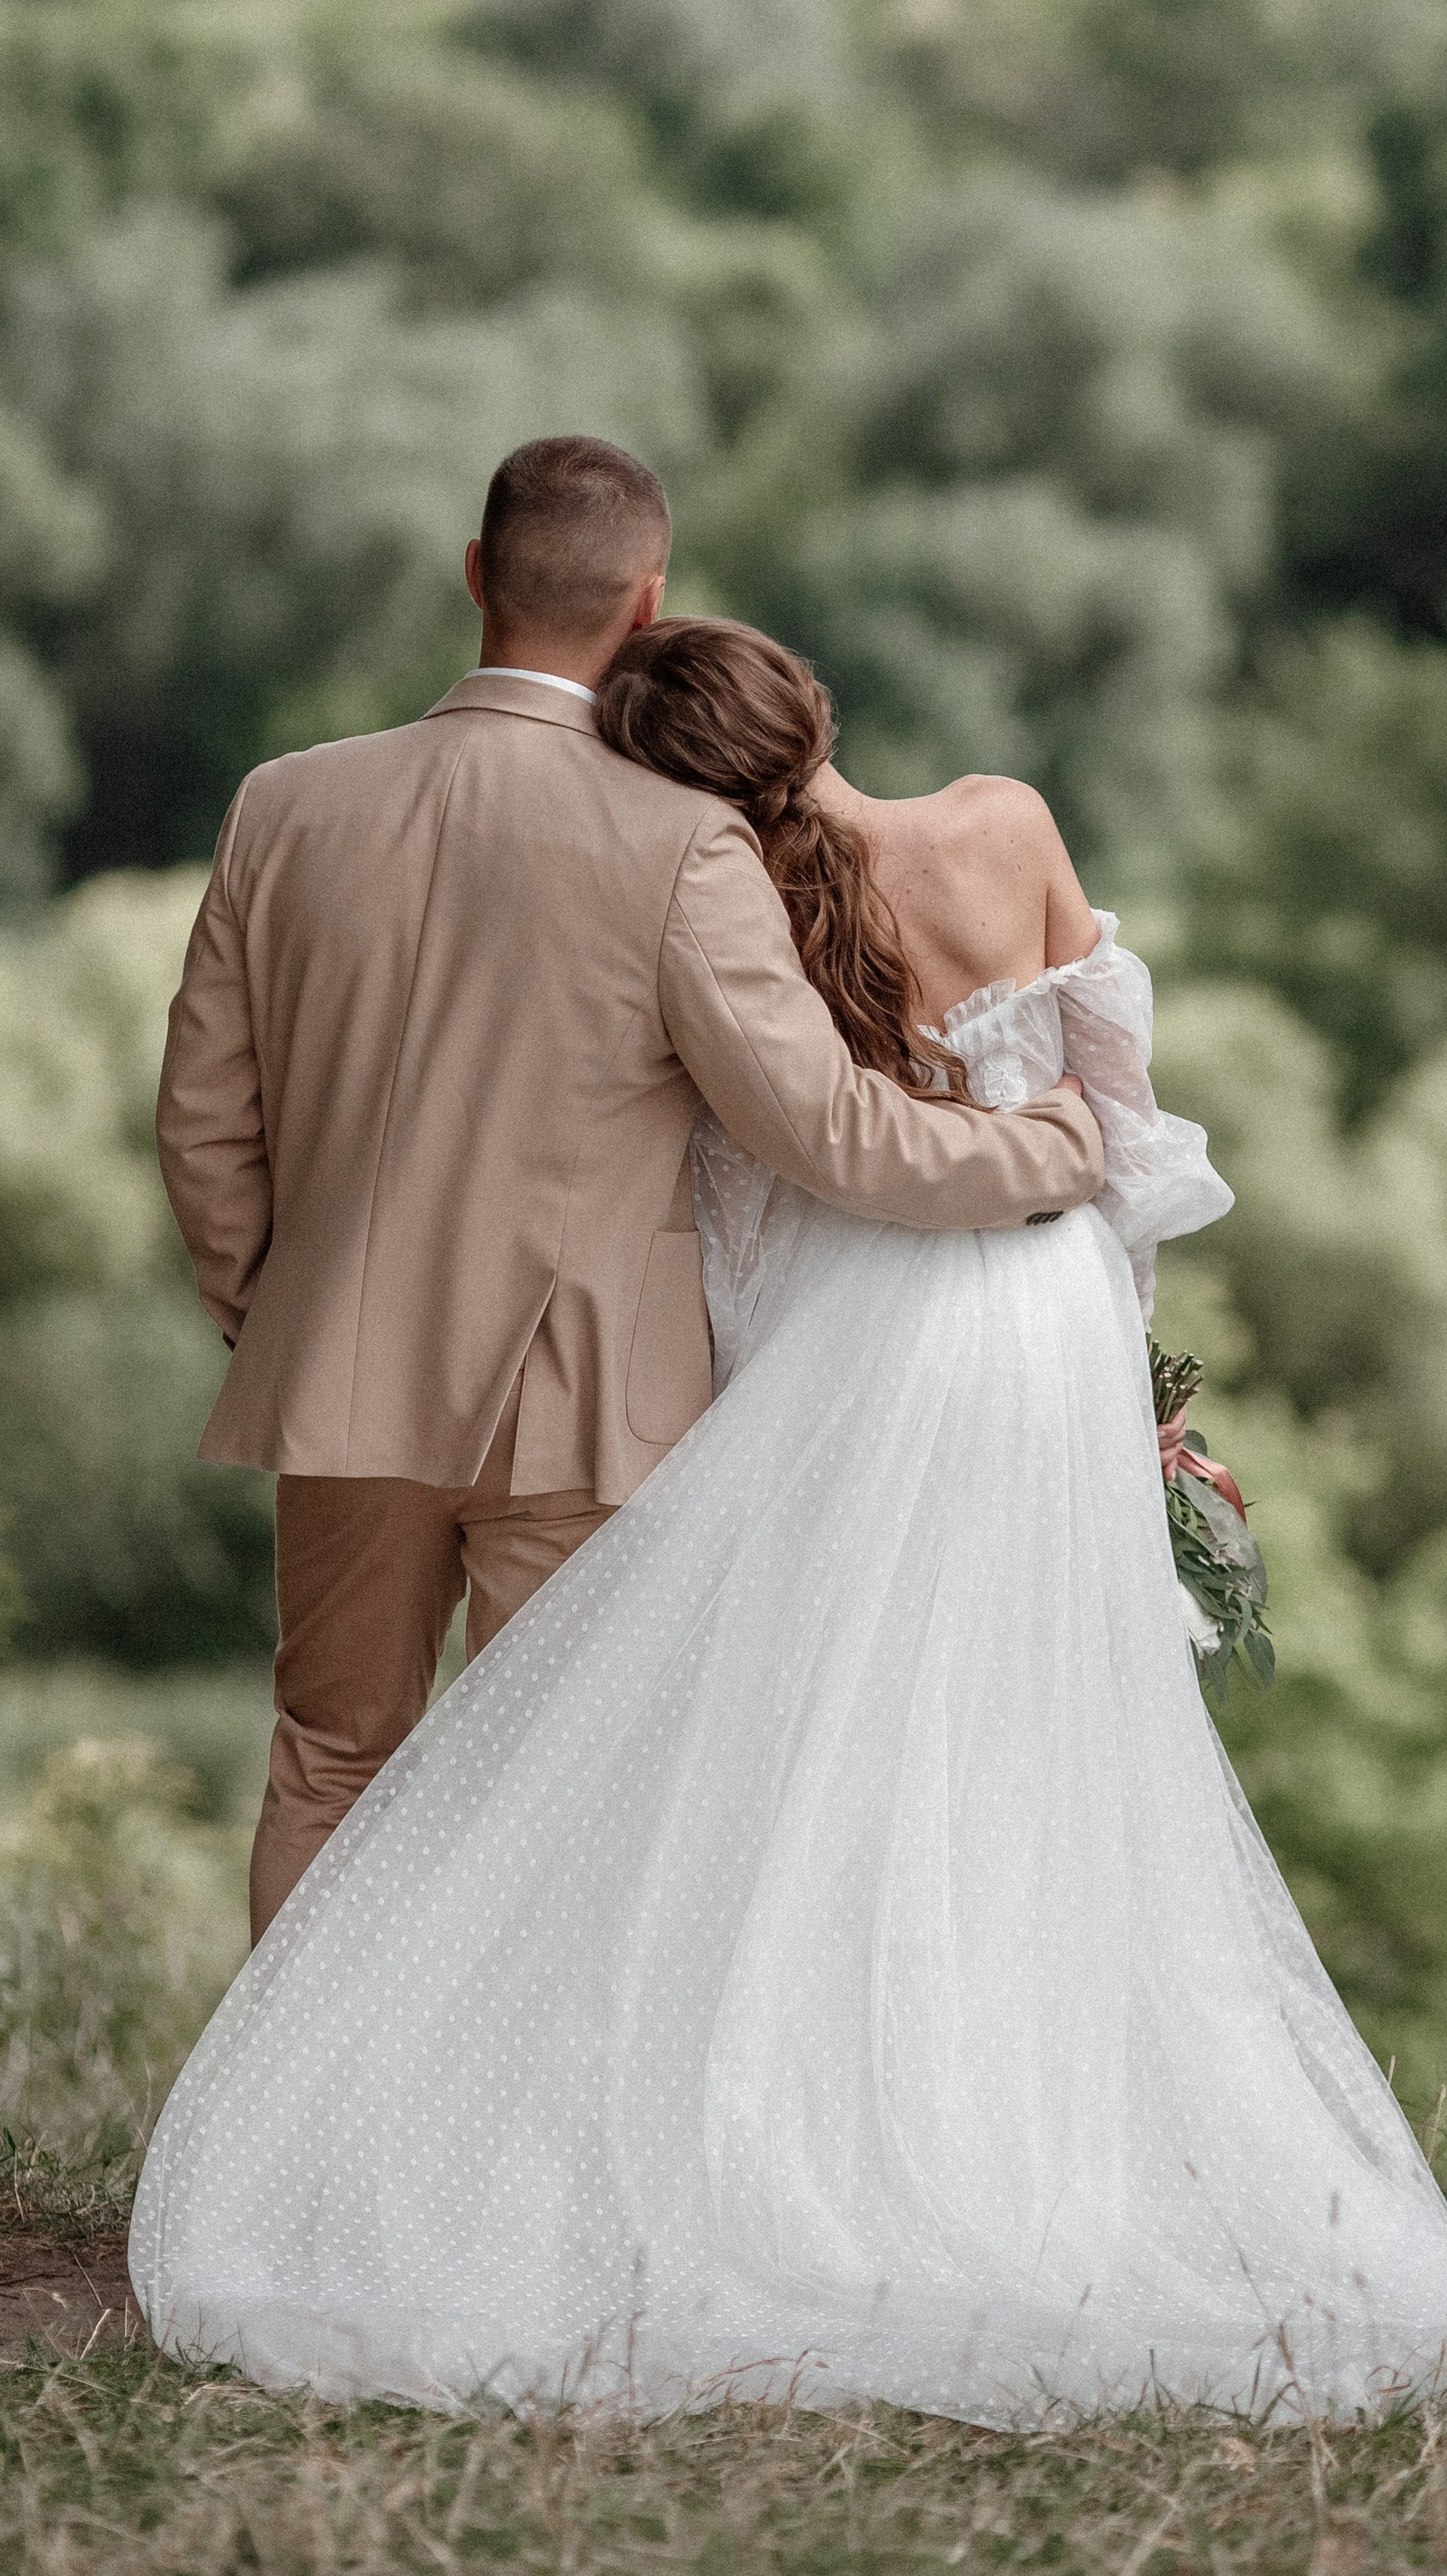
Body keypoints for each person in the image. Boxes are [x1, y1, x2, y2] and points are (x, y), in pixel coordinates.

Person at [131, 610, 1447, 2427]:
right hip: (1046, 1318)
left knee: (795, 1758)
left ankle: (538, 2146)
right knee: (1030, 1749)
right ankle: (1024, 2137)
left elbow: (759, 1198)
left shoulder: (719, 898)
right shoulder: (1005, 824)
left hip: (855, 1339)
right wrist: (1120, 1370)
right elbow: (1127, 1126)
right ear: (814, 709)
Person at [153, 440, 1103, 1942]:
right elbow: (828, 1131)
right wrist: (1060, 1148)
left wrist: (279, 1312)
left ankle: (288, 2111)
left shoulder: (284, 804)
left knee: (328, 1762)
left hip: (340, 1382)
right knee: (561, 1801)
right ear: (648, 599)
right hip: (585, 1407)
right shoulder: (681, 838)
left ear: (477, 573)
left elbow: (206, 1119)